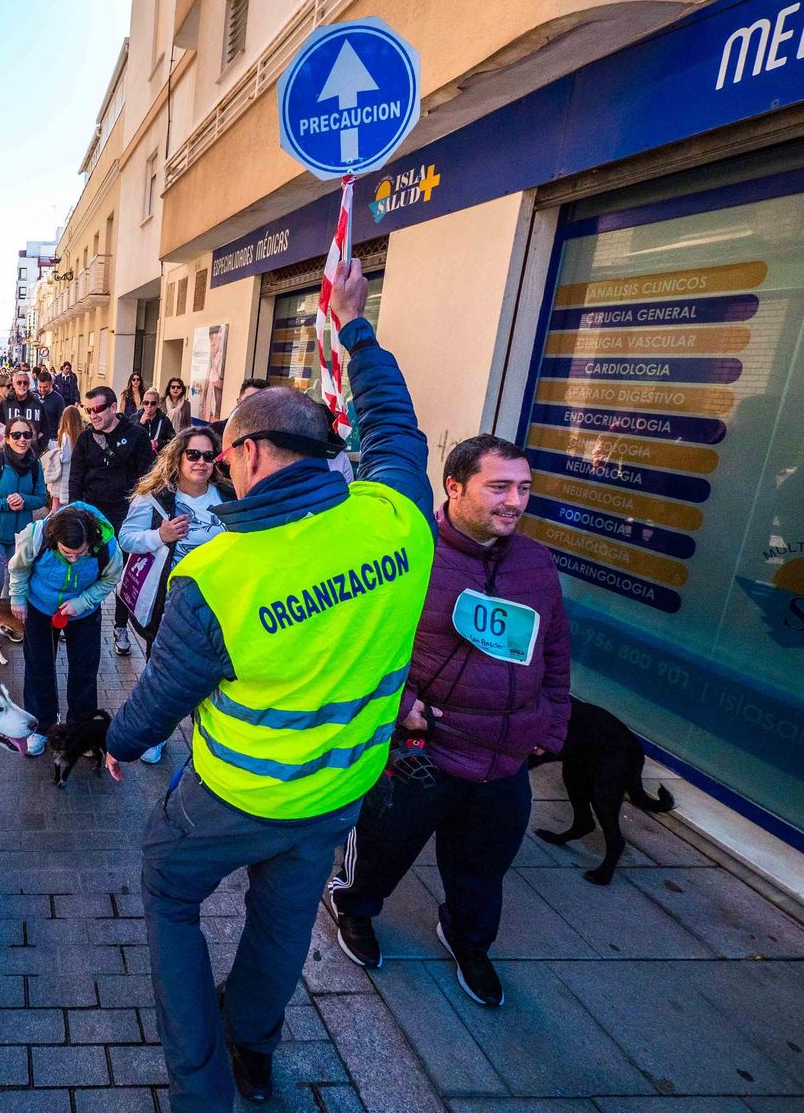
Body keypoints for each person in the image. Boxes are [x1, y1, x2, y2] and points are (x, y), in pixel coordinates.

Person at [104, 260, 434, 1110]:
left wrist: (118, 743)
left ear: (246, 453)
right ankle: (253, 1045)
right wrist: (355, 329)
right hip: (341, 788)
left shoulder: (219, 571)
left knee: (169, 893)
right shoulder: (396, 516)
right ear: (328, 454)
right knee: (283, 925)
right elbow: (398, 431)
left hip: (238, 794)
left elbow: (163, 695)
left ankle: (202, 1087)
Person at [326, 435, 570, 1007]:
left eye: (525, 488)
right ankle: (354, 907)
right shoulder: (411, 555)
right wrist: (399, 701)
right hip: (425, 751)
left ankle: (468, 939)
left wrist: (551, 726)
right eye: (500, 487)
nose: (515, 501)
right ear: (454, 487)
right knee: (384, 848)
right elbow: (363, 642)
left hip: (504, 754)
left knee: (484, 869)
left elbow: (554, 649)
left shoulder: (536, 563)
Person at [118, 426, 231, 762]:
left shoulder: (229, 496)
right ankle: (156, 734)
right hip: (169, 602)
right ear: (178, 456)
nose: (201, 462)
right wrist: (160, 535)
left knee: (215, 671)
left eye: (208, 456)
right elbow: (126, 538)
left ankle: (209, 736)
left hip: (220, 601)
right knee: (163, 672)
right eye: (193, 454)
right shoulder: (154, 497)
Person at [9, 503, 124, 756]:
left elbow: (111, 579)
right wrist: (17, 597)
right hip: (40, 607)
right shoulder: (37, 535)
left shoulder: (107, 546)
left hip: (84, 612)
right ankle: (41, 727)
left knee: (84, 670)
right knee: (39, 667)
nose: (73, 559)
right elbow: (18, 567)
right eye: (67, 553)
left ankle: (80, 731)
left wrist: (81, 602)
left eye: (80, 554)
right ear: (54, 539)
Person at [69, 385, 157, 659]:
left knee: (123, 573)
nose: (92, 415)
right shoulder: (85, 439)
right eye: (88, 410)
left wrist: (143, 510)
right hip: (92, 516)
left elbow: (150, 476)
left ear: (113, 408)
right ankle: (75, 618)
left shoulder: (137, 435)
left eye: (97, 409)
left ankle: (121, 627)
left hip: (127, 516)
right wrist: (75, 514)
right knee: (84, 567)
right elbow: (76, 478)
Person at [0, 419, 48, 600]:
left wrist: (24, 500)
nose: (22, 439)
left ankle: (6, 623)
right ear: (7, 438)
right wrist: (5, 503)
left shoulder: (35, 465)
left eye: (27, 435)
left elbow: (41, 499)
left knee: (14, 582)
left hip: (20, 536)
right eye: (16, 435)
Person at [42, 405, 85, 513]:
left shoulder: (66, 435)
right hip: (73, 476)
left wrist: (55, 452)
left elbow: (65, 457)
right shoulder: (82, 434)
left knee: (55, 509)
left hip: (62, 479)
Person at [0, 368, 48, 452]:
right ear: (13, 385)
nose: (22, 385)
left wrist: (39, 449)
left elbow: (46, 429)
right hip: (10, 452)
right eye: (19, 382)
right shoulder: (5, 404)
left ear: (28, 385)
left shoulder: (38, 404)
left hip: (32, 452)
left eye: (25, 382)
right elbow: (0, 427)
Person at [36, 368, 67, 448]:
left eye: (45, 387)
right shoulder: (33, 395)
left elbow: (62, 420)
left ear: (51, 384)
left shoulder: (58, 399)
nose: (42, 390)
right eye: (40, 386)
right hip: (35, 439)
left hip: (51, 439)